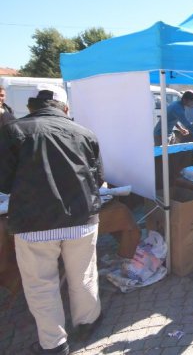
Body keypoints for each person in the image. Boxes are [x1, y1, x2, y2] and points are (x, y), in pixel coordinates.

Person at [0, 85, 103, 355]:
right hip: (81, 218)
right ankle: (86, 323)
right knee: (83, 275)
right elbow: (97, 175)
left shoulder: (13, 131)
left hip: (34, 223)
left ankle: (54, 343)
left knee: (40, 285)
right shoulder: (85, 133)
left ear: (33, 106)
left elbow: (4, 181)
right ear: (65, 108)